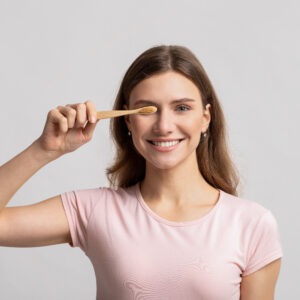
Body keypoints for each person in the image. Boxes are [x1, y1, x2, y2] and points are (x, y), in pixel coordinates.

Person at [0, 45, 282, 299]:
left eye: (181, 108)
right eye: (147, 110)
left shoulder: (252, 224)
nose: (164, 125)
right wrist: (44, 149)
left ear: (205, 118)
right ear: (128, 122)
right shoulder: (94, 210)